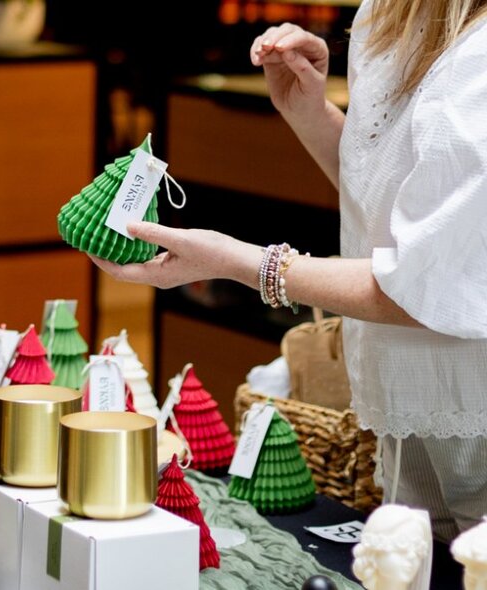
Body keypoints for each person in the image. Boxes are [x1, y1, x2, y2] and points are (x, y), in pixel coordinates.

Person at [92, 0, 487, 543]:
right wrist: (309, 112)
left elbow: (422, 286)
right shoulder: (386, 15)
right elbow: (391, 209)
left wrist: (243, 263)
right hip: (405, 395)